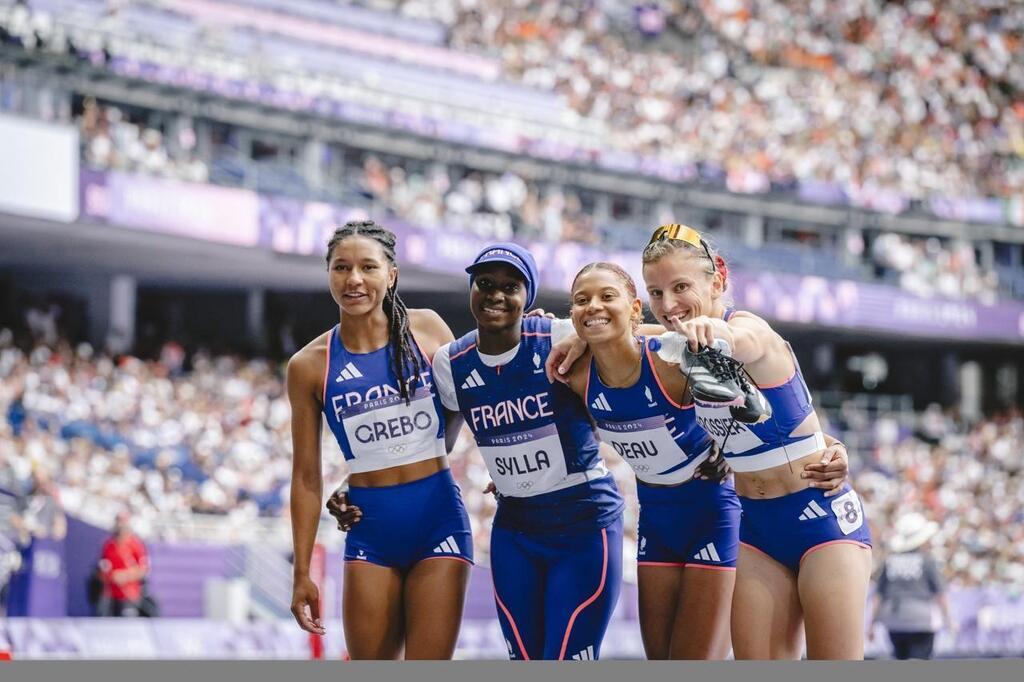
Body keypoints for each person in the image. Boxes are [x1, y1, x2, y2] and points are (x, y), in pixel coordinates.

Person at [639, 223, 872, 659]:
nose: (668, 305)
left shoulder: (748, 330)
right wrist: (565, 330)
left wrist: (715, 336)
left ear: (718, 279)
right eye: (655, 293)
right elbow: (630, 334)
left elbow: (742, 340)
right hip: (756, 531)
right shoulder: (677, 345)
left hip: (821, 521)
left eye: (680, 287)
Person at [288, 220, 472, 660]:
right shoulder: (309, 366)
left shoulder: (427, 329)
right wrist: (301, 570)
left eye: (368, 267)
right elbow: (307, 478)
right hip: (371, 529)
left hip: (439, 519)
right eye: (341, 268)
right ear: (329, 274)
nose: (354, 279)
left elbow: (463, 407)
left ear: (391, 274)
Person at [433, 243, 625, 661]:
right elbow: (434, 447)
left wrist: (709, 437)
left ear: (529, 297)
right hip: (515, 529)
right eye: (485, 283)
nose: (496, 295)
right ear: (470, 289)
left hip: (583, 522)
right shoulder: (450, 363)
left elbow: (638, 347)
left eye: (511, 286)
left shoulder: (557, 337)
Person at [561, 261, 739, 659]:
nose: (593, 306)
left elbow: (763, 393)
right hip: (655, 522)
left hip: (713, 515)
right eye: (581, 300)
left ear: (636, 308)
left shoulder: (673, 360)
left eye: (608, 297)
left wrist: (828, 443)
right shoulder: (574, 374)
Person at [871, 513, 954, 660]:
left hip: (894, 620)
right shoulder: (927, 561)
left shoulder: (889, 561)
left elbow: (879, 596)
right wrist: (949, 621)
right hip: (921, 621)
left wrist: (871, 624)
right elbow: (940, 594)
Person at [98, 510, 149, 617]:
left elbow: (143, 569)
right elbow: (103, 569)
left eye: (123, 521)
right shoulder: (109, 545)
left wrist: (125, 576)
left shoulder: (135, 544)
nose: (120, 525)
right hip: (111, 595)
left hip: (129, 595)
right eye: (118, 521)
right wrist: (112, 576)